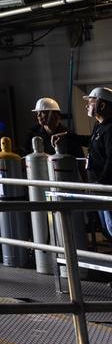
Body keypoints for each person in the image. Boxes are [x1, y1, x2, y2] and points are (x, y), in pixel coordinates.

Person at [69, 87, 112, 238]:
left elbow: (111, 159)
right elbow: (91, 142)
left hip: (106, 188)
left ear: (102, 105)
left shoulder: (110, 128)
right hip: (99, 188)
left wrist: (101, 183)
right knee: (107, 229)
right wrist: (69, 136)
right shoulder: (99, 126)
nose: (87, 106)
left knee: (111, 227)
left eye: (91, 102)